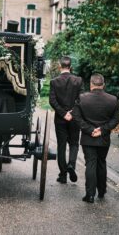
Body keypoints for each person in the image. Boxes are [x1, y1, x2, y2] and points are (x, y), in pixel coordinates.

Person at [72, 74, 119, 203]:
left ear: (91, 84)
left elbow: (76, 117)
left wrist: (89, 129)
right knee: (101, 163)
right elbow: (116, 119)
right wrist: (102, 130)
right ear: (103, 85)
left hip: (88, 138)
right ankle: (102, 191)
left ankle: (90, 195)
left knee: (91, 164)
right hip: (103, 138)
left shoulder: (81, 99)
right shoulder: (113, 100)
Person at [49, 56, 83, 184]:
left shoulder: (54, 81)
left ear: (60, 66)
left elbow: (52, 101)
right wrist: (72, 112)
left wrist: (63, 114)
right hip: (75, 119)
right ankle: (71, 165)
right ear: (71, 67)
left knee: (61, 146)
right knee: (74, 143)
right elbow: (81, 99)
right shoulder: (78, 80)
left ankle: (63, 175)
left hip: (60, 119)